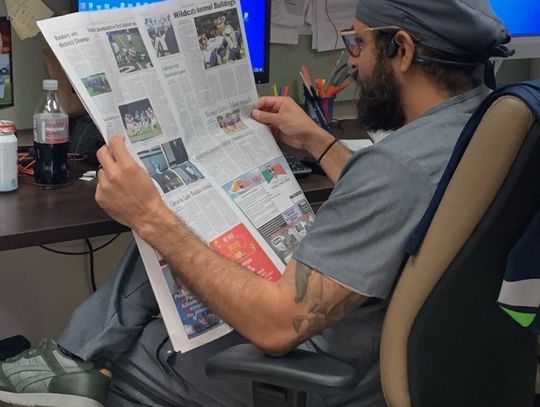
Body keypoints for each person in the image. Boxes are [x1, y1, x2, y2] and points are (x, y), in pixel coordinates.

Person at [0, 0, 513, 406]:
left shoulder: (396, 168)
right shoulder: (478, 124)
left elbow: (273, 327)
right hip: (403, 351)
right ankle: (73, 354)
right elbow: (401, 202)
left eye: (357, 44)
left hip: (328, 371)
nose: (350, 59)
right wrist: (318, 141)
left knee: (133, 348)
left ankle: (74, 366)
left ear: (400, 49)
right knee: (178, 241)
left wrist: (148, 215)